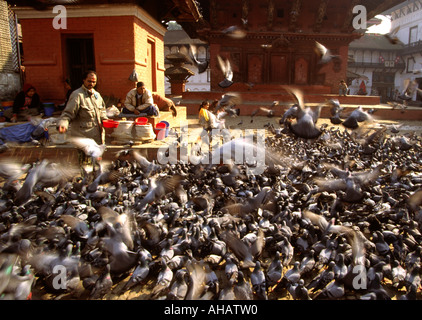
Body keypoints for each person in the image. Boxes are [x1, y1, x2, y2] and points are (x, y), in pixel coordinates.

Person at [57, 70, 108, 167]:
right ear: (84, 80)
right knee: (85, 165)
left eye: (94, 82)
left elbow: (102, 111)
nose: (91, 84)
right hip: (83, 136)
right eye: (89, 81)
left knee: (96, 164)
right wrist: (63, 124)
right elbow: (68, 113)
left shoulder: (97, 96)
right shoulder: (77, 95)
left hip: (96, 137)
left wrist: (105, 120)